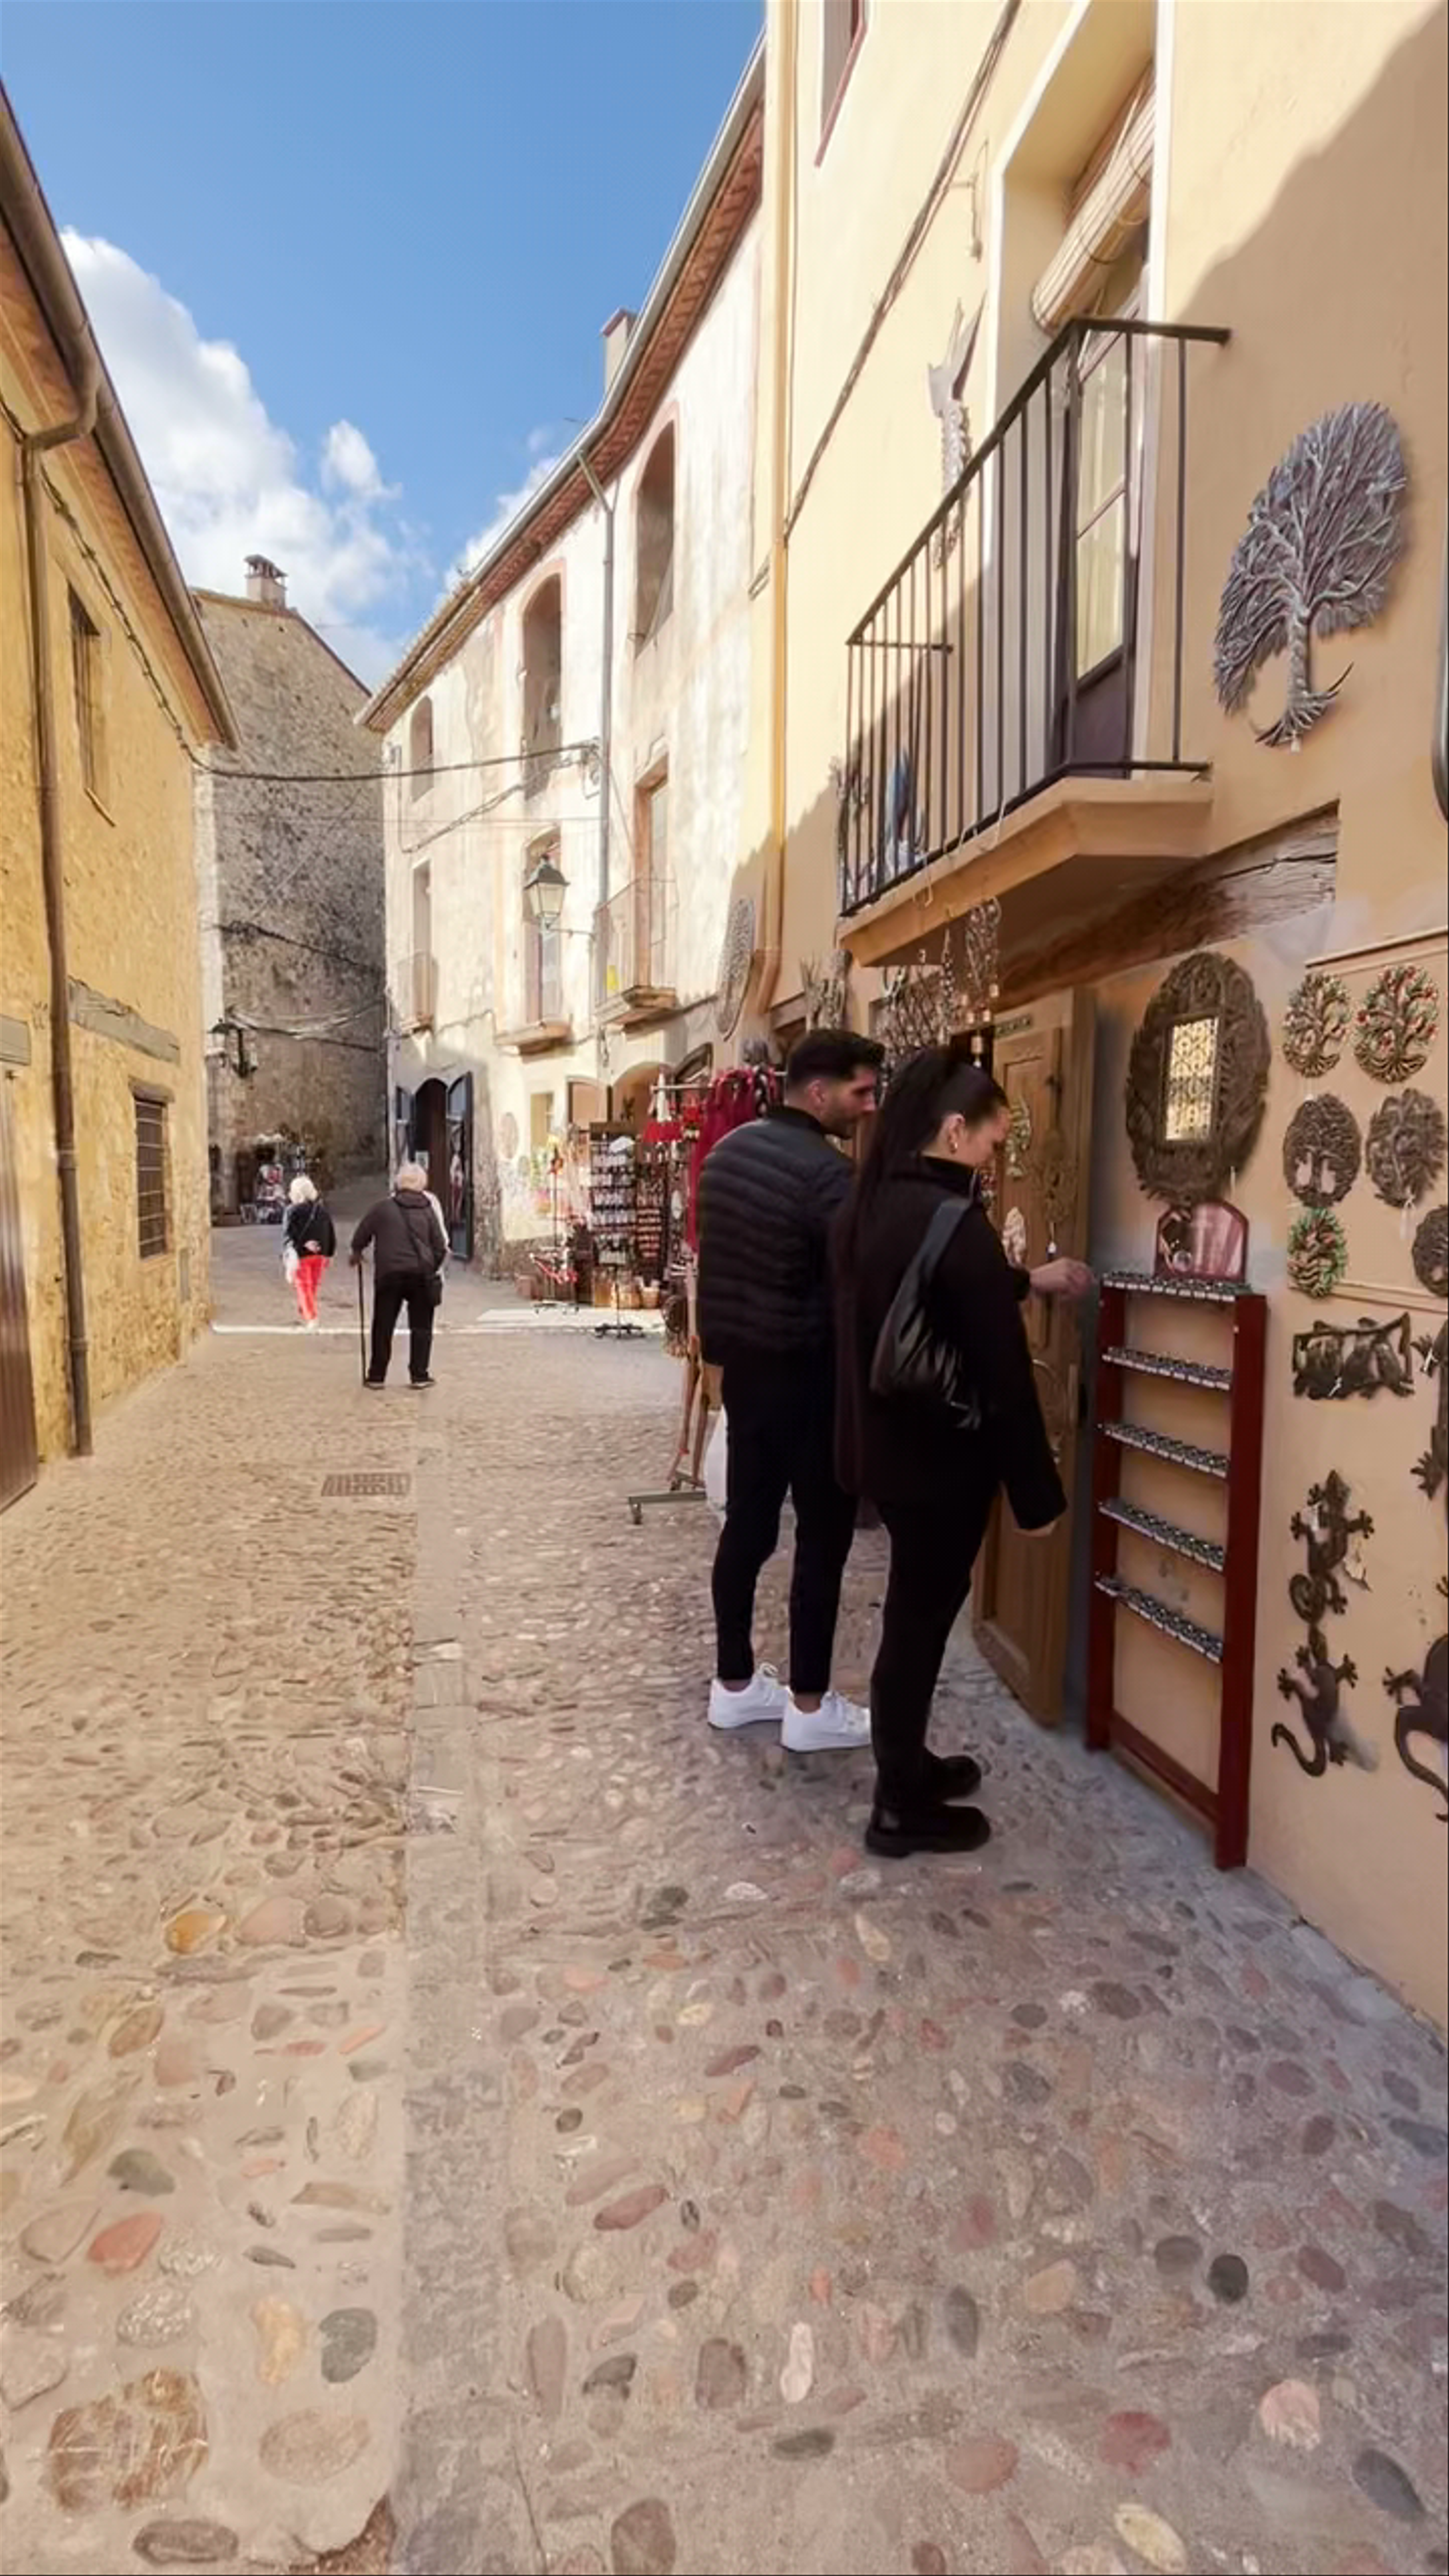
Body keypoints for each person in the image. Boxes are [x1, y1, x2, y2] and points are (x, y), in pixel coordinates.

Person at [834, 1045, 1093, 1858]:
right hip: (942, 1468)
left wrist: (1027, 1281)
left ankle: (906, 1765)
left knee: (909, 1620)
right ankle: (898, 1805)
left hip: (886, 1452)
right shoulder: (955, 1225)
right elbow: (1004, 1376)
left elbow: (933, 1293)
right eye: (991, 1142)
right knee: (916, 1627)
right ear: (954, 1130)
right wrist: (1039, 1500)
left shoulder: (870, 1203)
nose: (994, 1156)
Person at [697, 1027, 885, 1752]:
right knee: (822, 1540)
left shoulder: (722, 1158)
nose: (867, 1108)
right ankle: (809, 1704)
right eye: (859, 1093)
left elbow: (722, 1269)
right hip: (812, 1378)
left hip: (748, 1375)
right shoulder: (828, 1175)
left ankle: (735, 1685)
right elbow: (859, 1281)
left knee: (747, 1527)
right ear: (818, 1092)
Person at [349, 1163, 448, 1389]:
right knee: (422, 1327)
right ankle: (420, 1375)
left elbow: (361, 1235)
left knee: (383, 1325)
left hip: (390, 1274)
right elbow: (440, 1246)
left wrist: (357, 1253)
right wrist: (431, 1266)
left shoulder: (382, 1208)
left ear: (399, 1183)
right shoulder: (427, 1210)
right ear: (423, 1184)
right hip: (421, 1275)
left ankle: (376, 1376)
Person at [281, 1175, 336, 1329]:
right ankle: (306, 1311)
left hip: (301, 1255)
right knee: (312, 1286)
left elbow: (288, 1235)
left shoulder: (292, 1211)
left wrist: (297, 1249)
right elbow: (330, 1232)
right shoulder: (322, 1211)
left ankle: (311, 1317)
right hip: (320, 1254)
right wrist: (329, 1253)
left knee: (304, 1286)